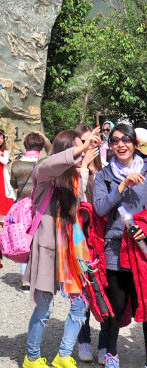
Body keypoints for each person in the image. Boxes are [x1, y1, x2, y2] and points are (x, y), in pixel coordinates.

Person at [22, 126, 102, 368]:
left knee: (81, 303)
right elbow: (51, 164)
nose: (83, 151)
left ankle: (64, 355)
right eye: (78, 146)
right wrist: (80, 150)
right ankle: (31, 358)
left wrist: (88, 169)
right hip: (48, 248)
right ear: (66, 150)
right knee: (44, 307)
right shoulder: (44, 174)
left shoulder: (76, 177)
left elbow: (84, 208)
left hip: (72, 249)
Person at [94, 123, 147, 368]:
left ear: (135, 143)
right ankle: (112, 353)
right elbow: (101, 208)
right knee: (116, 304)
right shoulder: (104, 175)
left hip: (144, 246)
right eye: (115, 141)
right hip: (116, 247)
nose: (120, 145)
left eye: (125, 140)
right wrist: (123, 185)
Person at [74, 125, 108, 364]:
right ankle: (84, 340)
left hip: (105, 240)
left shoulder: (107, 172)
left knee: (107, 292)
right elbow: (74, 205)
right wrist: (84, 168)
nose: (90, 146)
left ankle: (106, 342)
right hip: (81, 242)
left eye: (94, 140)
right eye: (85, 141)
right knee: (84, 294)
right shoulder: (74, 173)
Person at [10, 132, 47, 286]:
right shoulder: (44, 162)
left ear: (25, 145)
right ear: (41, 146)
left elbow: (13, 184)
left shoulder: (16, 164)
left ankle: (25, 277)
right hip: (41, 205)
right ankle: (39, 275)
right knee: (38, 240)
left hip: (20, 207)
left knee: (22, 240)